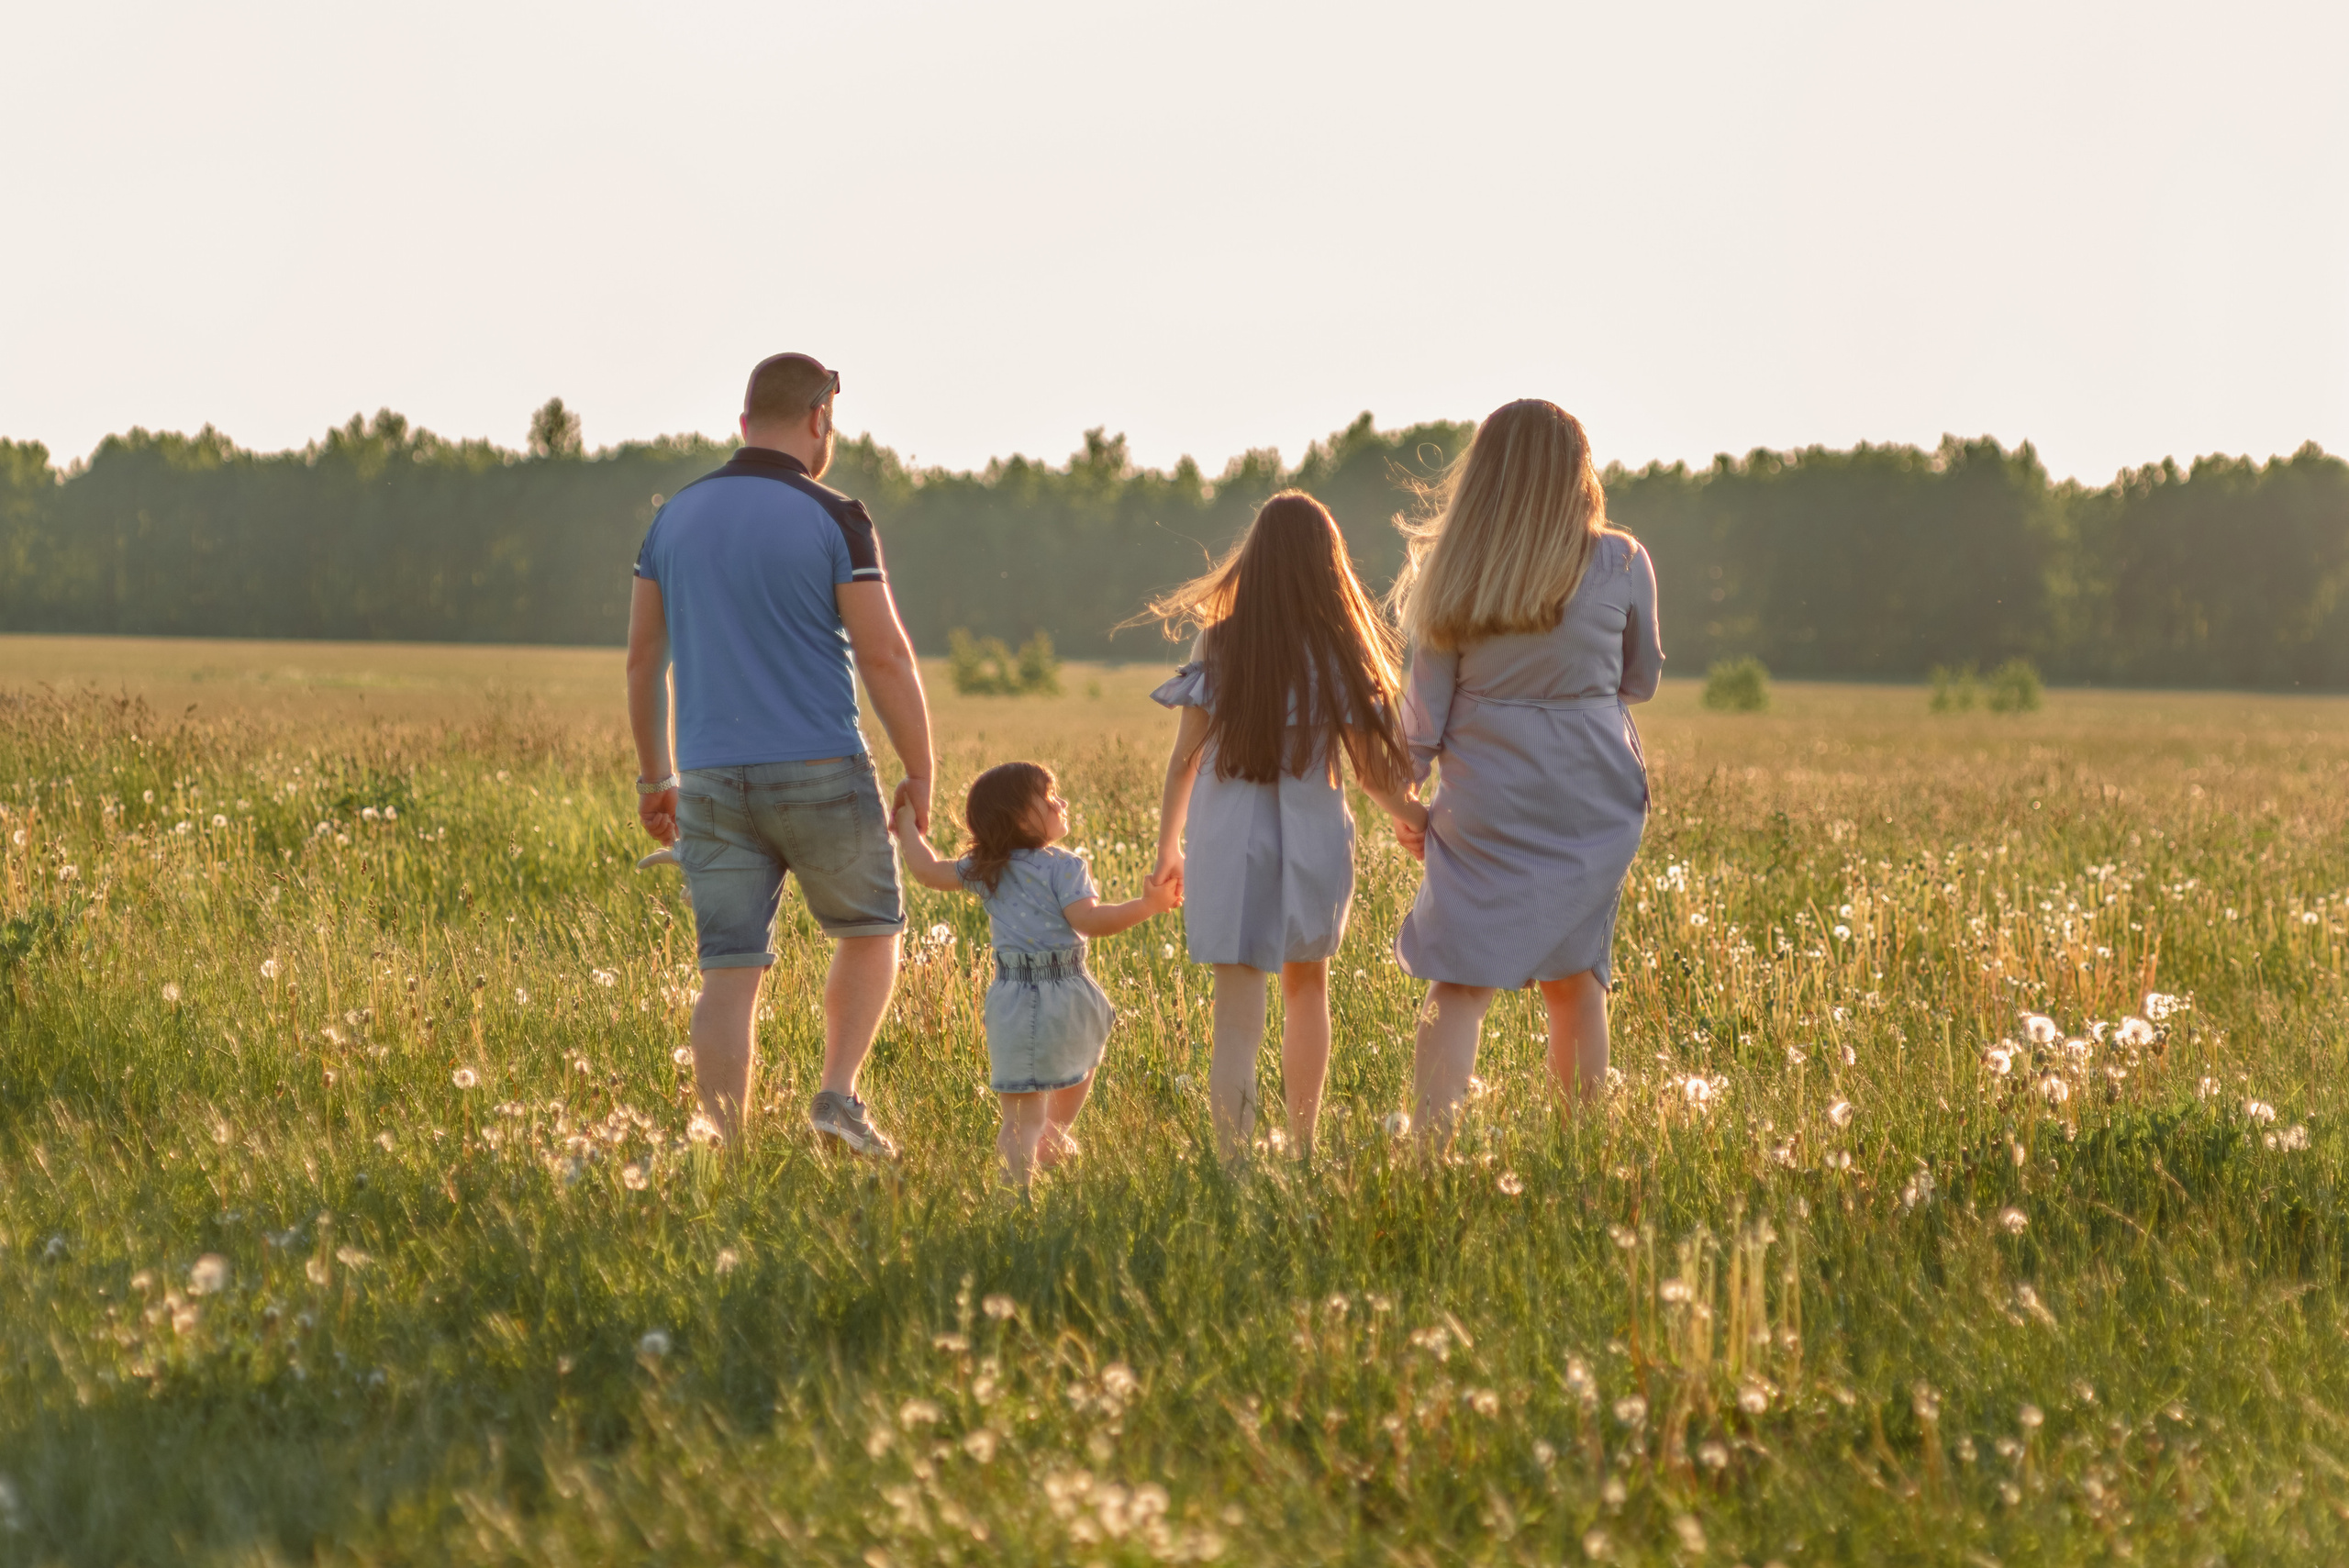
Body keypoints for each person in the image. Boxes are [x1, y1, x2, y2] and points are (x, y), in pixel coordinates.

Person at [627, 352, 933, 1156]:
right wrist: (921, 767)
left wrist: (656, 776)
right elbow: (886, 657)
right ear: (819, 418)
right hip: (822, 766)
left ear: (741, 421)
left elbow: (641, 661)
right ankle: (836, 1095)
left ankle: (726, 1147)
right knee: (869, 929)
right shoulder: (838, 516)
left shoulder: (673, 519)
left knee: (729, 970)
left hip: (709, 778)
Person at [1386, 399, 1664, 1143]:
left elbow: (1421, 718)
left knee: (1459, 981)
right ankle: (1579, 1153)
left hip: (1488, 800)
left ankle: (1428, 1155)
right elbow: (1640, 681)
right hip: (1593, 799)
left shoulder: (1454, 568)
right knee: (1577, 981)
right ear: (1579, 470)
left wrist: (1409, 806)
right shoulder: (1624, 560)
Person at [1144, 491, 1427, 1161]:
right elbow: (1371, 773)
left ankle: (1234, 1166)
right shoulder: (1336, 647)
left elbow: (1184, 761)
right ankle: (1302, 1146)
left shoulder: (1218, 641)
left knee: (1235, 1018)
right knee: (1308, 988)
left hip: (1227, 838)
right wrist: (1418, 820)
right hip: (1312, 834)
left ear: (1256, 559)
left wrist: (1168, 846)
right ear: (1328, 565)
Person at [893, 762, 1179, 1187]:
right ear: (1016, 817)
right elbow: (1092, 921)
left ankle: (1021, 1182)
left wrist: (905, 827)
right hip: (1070, 991)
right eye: (1048, 798)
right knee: (1081, 1063)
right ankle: (1048, 1144)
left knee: (1019, 1114)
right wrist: (1148, 905)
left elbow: (926, 870)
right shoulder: (1064, 867)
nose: (1060, 802)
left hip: (1014, 995)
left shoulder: (986, 868)